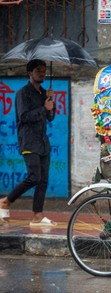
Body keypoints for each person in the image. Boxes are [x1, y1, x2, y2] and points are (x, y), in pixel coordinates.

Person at [0, 59, 56, 226]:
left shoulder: (44, 93)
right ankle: (6, 201)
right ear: (30, 73)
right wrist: (43, 108)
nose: (42, 73)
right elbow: (24, 117)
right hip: (29, 142)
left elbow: (51, 117)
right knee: (34, 177)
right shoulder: (22, 93)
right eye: (39, 70)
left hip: (43, 143)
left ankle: (37, 216)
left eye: (44, 70)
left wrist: (51, 103)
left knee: (43, 180)